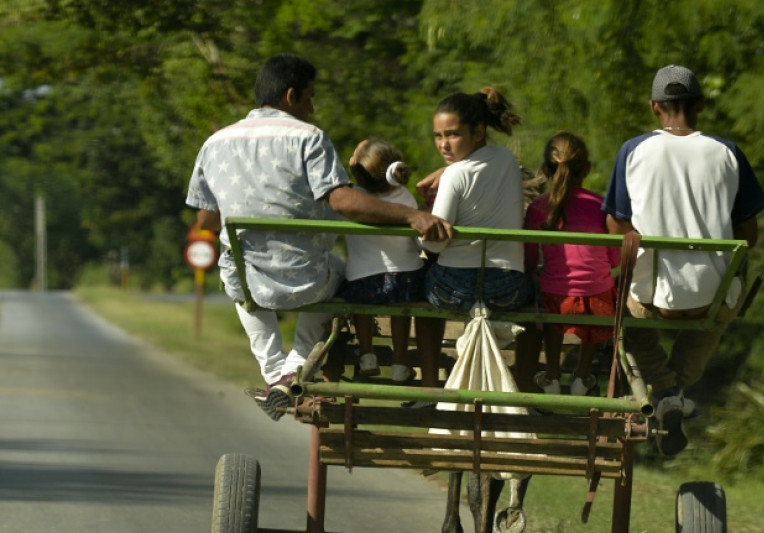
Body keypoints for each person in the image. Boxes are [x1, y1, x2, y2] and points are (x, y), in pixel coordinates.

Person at [186, 54, 451, 419]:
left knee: (236, 287)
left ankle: (272, 371)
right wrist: (412, 215)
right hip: (307, 279)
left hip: (249, 281)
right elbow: (342, 200)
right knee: (339, 274)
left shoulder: (214, 143)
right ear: (291, 96)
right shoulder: (309, 138)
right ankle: (293, 368)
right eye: (310, 97)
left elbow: (207, 220)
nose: (312, 106)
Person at [601, 64, 764, 455]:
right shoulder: (728, 153)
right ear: (701, 105)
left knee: (627, 319)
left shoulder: (634, 150)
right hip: (711, 297)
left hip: (650, 296)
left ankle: (662, 389)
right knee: (725, 303)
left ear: (654, 107)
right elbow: (750, 235)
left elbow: (615, 222)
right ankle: (674, 392)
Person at [413, 87, 533, 389]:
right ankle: (528, 384)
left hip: (454, 289)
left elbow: (435, 242)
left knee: (421, 291)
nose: (444, 144)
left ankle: (428, 384)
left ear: (478, 132)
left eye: (452, 135)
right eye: (438, 136)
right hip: (509, 287)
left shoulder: (454, 175)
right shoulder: (507, 160)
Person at [523, 131, 619, 396]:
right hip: (598, 295)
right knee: (599, 300)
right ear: (586, 169)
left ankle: (552, 376)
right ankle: (582, 376)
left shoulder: (539, 208)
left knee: (551, 300)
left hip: (556, 296)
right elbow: (613, 258)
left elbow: (529, 258)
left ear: (545, 169)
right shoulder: (601, 206)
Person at [341, 138, 427, 384]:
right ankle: (400, 363)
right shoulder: (406, 198)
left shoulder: (353, 199)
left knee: (361, 306)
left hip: (362, 282)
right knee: (401, 311)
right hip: (406, 280)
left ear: (359, 173)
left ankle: (367, 355)